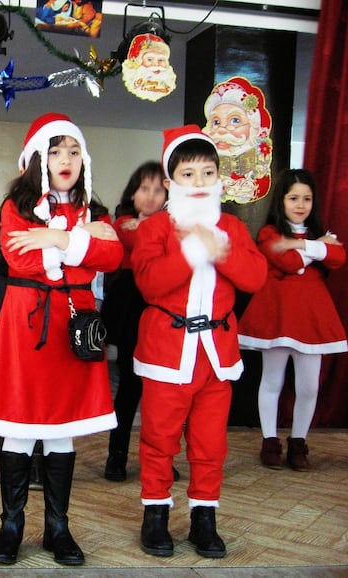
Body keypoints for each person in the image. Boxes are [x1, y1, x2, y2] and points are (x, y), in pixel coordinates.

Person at [0, 112, 123, 566]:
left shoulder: (95, 212)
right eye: (56, 150)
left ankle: (58, 528)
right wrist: (79, 241)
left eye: (74, 150)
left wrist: (54, 236)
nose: (66, 159)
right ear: (37, 158)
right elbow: (18, 261)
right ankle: (11, 525)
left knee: (63, 431)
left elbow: (113, 255)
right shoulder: (14, 208)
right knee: (19, 428)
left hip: (72, 324)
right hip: (25, 326)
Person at [131, 125, 266, 559]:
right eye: (188, 174)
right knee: (159, 439)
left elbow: (256, 278)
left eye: (208, 172)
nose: (199, 182)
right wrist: (192, 252)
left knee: (210, 443)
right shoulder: (155, 228)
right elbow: (150, 284)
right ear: (170, 181)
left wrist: (221, 247)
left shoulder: (231, 228)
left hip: (216, 355)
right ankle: (155, 516)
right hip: (168, 354)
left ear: (219, 178)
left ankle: (204, 518)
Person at [238, 169, 346, 471]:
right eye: (294, 198)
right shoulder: (269, 233)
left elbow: (338, 258)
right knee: (272, 380)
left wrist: (301, 245)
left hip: (311, 319)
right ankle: (269, 441)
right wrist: (316, 249)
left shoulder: (316, 233)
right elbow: (288, 263)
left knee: (309, 386)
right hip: (278, 316)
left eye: (307, 198)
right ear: (281, 201)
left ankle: (298, 442)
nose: (301, 204)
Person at [101, 161, 168, 482]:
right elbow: (135, 243)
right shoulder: (121, 222)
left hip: (164, 308)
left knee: (162, 393)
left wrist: (153, 230)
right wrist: (156, 232)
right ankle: (116, 456)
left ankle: (160, 458)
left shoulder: (169, 224)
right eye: (145, 188)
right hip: (131, 309)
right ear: (133, 192)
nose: (152, 196)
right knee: (129, 386)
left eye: (159, 189)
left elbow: (169, 246)